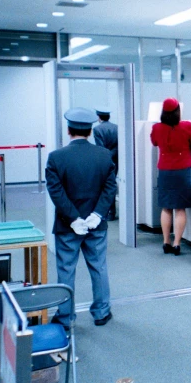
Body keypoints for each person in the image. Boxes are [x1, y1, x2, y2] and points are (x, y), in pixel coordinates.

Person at [45, 107, 117, 328]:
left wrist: (74, 218)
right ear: (90, 131)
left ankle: (66, 317)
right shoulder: (104, 155)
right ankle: (101, 313)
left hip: (68, 227)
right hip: (97, 226)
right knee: (99, 267)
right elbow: (110, 188)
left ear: (69, 130)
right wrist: (96, 215)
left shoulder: (56, 157)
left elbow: (56, 192)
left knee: (66, 269)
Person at [150, 98, 191, 255]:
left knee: (166, 207)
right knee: (180, 208)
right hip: (182, 170)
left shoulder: (156, 127)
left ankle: (166, 241)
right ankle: (177, 243)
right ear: (178, 111)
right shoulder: (186, 126)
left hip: (165, 169)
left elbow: (154, 142)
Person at [93, 108, 118, 220]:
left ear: (99, 117)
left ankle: (105, 211)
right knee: (111, 184)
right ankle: (112, 213)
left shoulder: (97, 129)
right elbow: (118, 146)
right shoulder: (116, 127)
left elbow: (100, 147)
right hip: (115, 159)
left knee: (103, 186)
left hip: (104, 160)